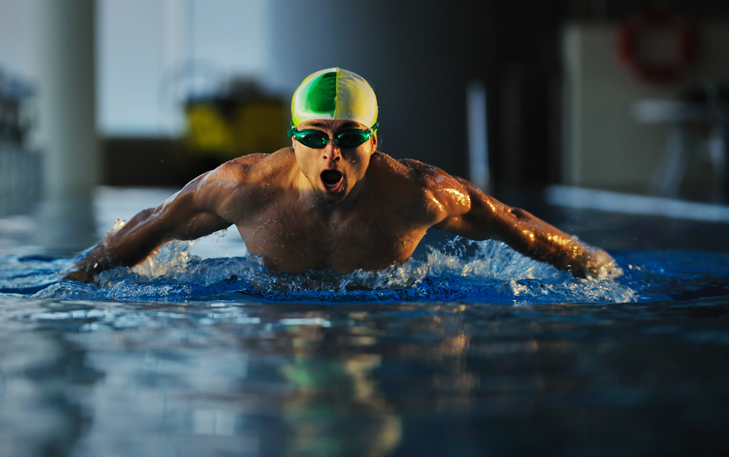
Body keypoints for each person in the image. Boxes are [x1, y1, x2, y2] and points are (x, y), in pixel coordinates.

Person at [64, 67, 616, 283]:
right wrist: (83, 272)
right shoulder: (244, 188)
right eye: (313, 138)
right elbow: (157, 222)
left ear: (373, 142)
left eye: (349, 138)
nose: (331, 154)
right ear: (292, 139)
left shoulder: (418, 194)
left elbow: (509, 221)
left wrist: (590, 264)